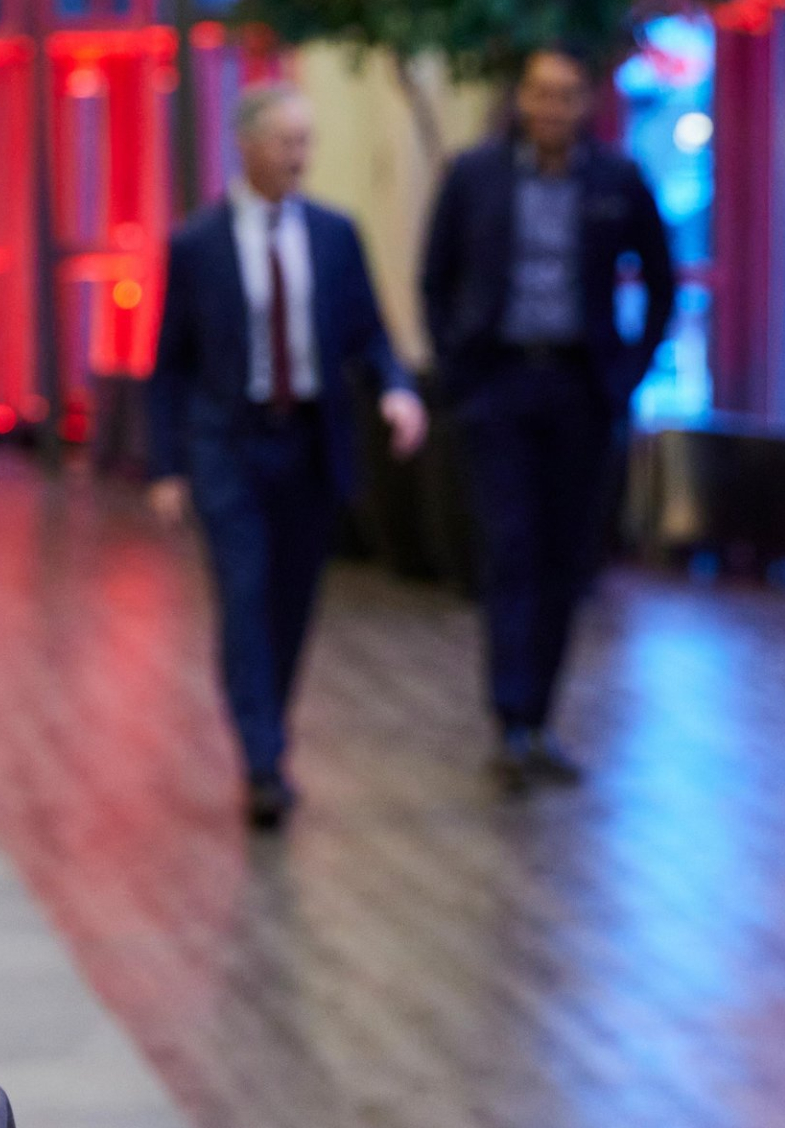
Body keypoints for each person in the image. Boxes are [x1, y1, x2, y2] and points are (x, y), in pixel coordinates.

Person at [147, 84, 428, 829]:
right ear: (244, 145)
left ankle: (270, 726)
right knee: (242, 598)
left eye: (306, 142)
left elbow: (368, 333)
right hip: (227, 446)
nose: (299, 157)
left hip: (307, 443)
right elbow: (169, 363)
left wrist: (398, 392)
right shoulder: (197, 243)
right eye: (285, 142)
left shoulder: (335, 235)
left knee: (291, 603)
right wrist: (168, 467)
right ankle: (263, 760)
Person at [421, 42, 673, 790]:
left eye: (566, 95)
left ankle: (541, 720)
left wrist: (626, 374)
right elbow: (435, 277)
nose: (551, 109)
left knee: (566, 558)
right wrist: (459, 370)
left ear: (586, 103)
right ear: (521, 100)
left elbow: (660, 278)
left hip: (579, 391)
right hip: (499, 385)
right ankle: (508, 718)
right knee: (510, 550)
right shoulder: (475, 176)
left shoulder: (617, 180)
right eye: (539, 94)